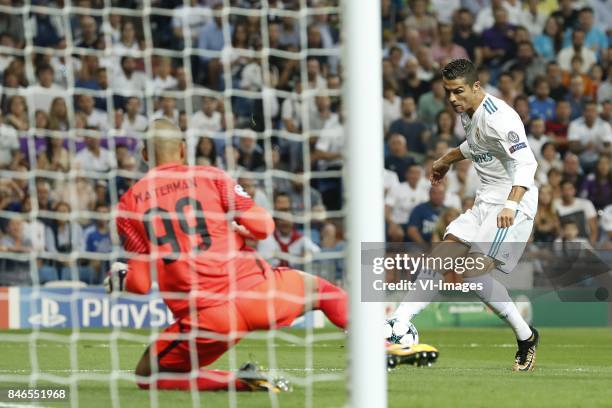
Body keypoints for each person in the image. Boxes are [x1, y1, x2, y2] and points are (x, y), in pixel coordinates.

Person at [105, 119, 347, 392]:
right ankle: (383, 342)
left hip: (209, 319)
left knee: (148, 375)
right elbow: (265, 227)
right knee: (323, 291)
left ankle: (240, 381)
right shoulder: (212, 177)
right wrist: (238, 229)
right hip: (260, 293)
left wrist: (118, 276)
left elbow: (139, 284)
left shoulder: (129, 204)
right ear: (183, 150)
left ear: (145, 155)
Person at [389, 59, 540, 371]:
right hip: (484, 202)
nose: (452, 99)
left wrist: (511, 205)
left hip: (513, 202)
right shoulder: (469, 115)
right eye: (448, 93)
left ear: (476, 87)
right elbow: (475, 146)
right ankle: (397, 324)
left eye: (458, 91)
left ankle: (526, 337)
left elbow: (527, 163)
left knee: (473, 272)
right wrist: (446, 159)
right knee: (437, 260)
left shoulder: (501, 118)